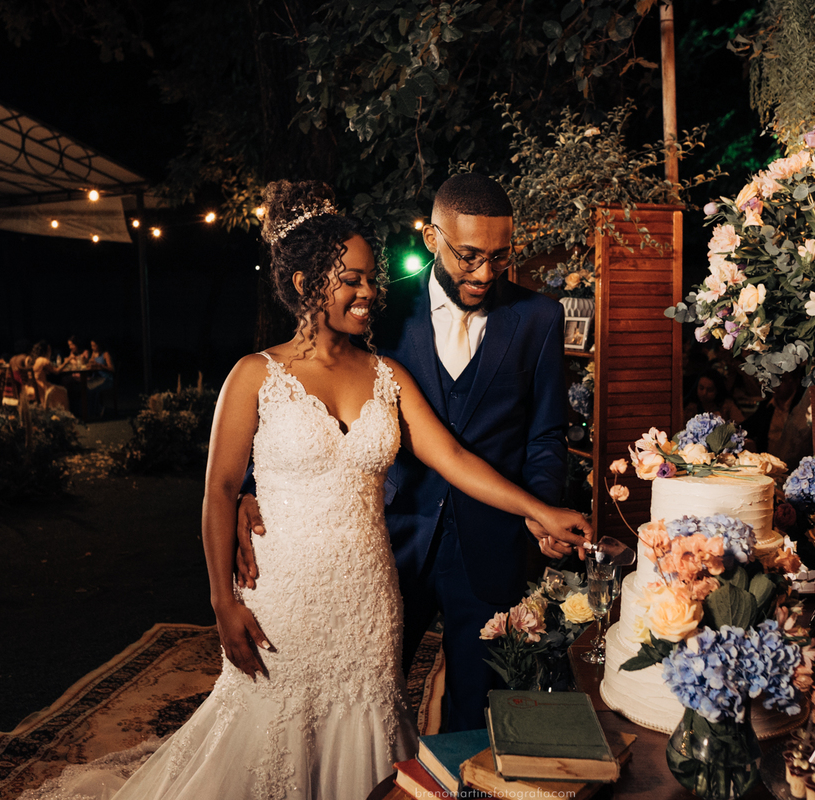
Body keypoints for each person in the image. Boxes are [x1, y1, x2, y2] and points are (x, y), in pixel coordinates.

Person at [20, 180, 591, 800]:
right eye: (352, 279)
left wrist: (542, 510)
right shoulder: (255, 373)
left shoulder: (388, 372)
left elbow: (455, 456)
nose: (368, 291)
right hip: (298, 589)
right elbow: (220, 487)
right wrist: (222, 597)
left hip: (378, 592)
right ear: (303, 283)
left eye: (370, 278)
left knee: (401, 724)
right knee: (273, 734)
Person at [238, 173, 577, 734]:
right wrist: (256, 483)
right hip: (385, 534)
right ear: (432, 239)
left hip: (491, 538)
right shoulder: (379, 310)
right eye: (469, 256)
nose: (485, 273)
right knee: (362, 697)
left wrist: (537, 512)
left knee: (476, 707)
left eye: (500, 256)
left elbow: (544, 435)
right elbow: (305, 389)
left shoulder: (539, 318)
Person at [30, 340, 69, 410]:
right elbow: (56, 371)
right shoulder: (43, 360)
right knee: (64, 391)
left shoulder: (36, 360)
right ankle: (65, 414)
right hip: (43, 388)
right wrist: (66, 362)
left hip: (36, 387)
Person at [87, 338, 115, 417]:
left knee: (93, 389)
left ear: (99, 345)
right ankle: (90, 411)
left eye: (94, 345)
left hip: (106, 379)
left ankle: (98, 410)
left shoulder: (105, 354)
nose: (92, 347)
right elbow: (91, 364)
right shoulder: (93, 353)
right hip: (96, 379)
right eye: (91, 345)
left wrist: (101, 366)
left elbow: (112, 369)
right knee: (85, 387)